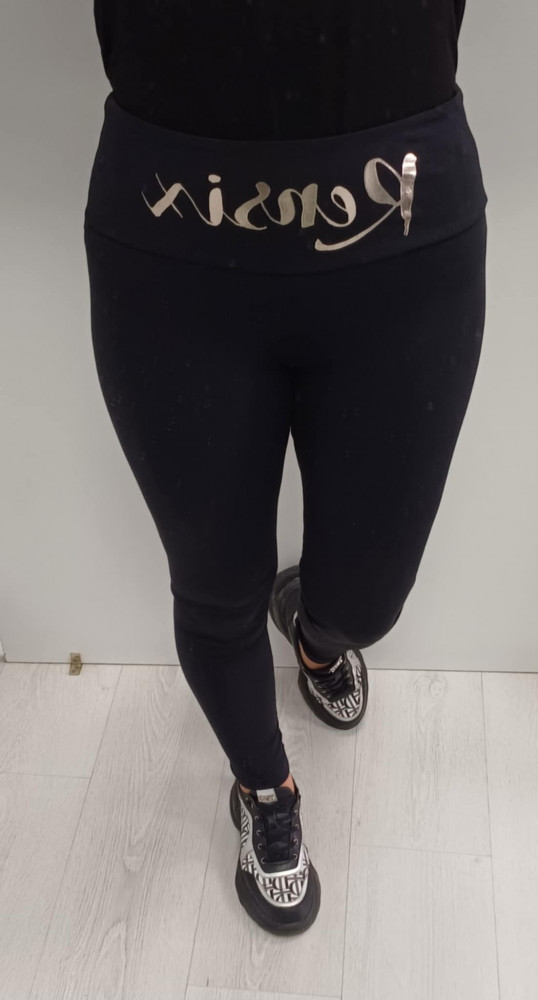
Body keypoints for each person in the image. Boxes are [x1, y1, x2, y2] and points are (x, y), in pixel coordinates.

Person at [84, 0, 487, 935]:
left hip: (402, 224)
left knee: (371, 599)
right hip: (172, 239)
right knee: (215, 583)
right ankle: (265, 788)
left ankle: (316, 636)